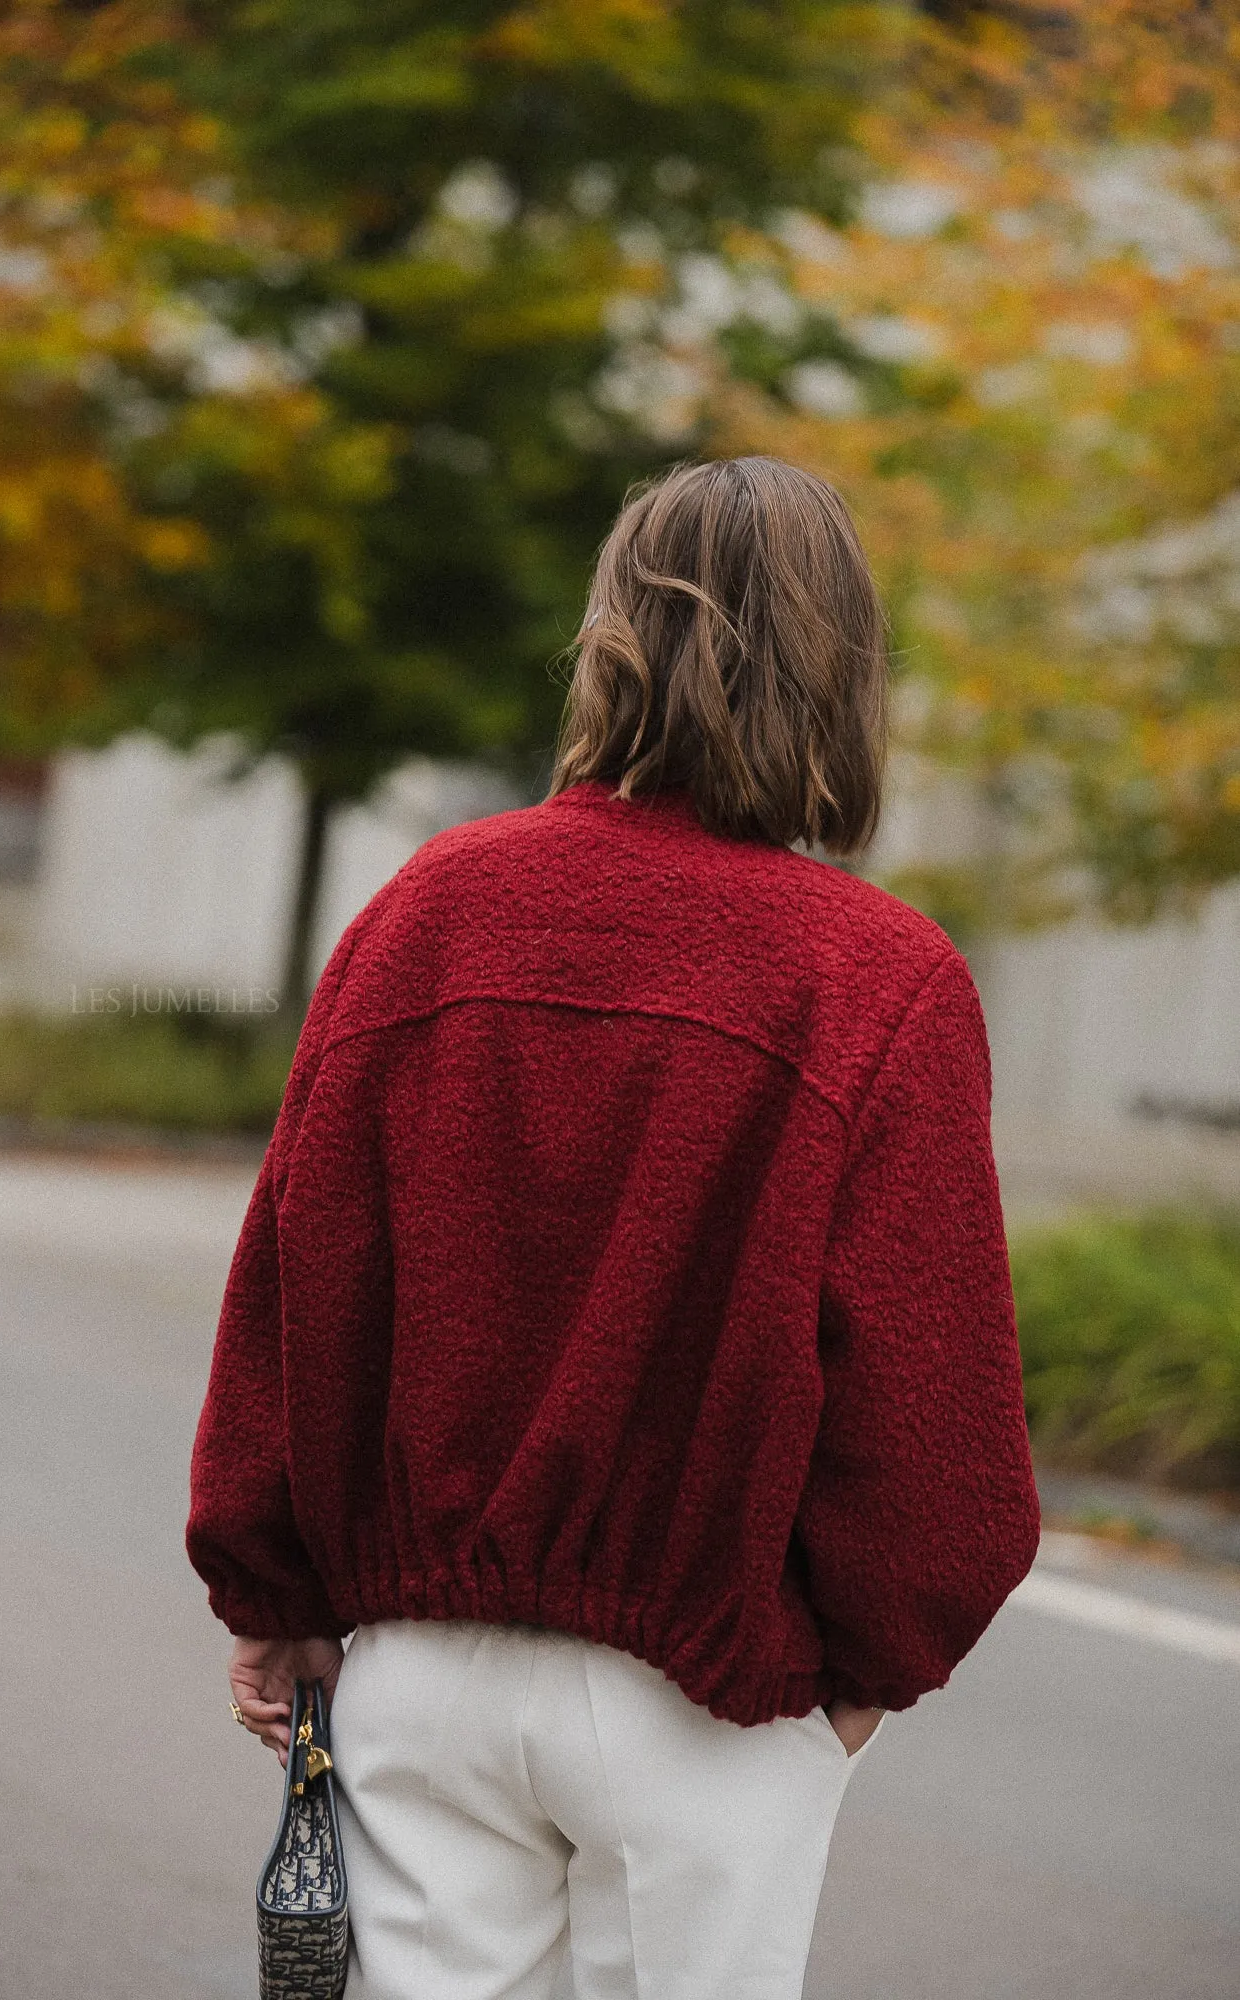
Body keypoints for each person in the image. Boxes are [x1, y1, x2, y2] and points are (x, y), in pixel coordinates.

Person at [187, 454, 1041, 1999]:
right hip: (711, 1699)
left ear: (610, 640)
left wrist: (278, 1592)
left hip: (420, 1665)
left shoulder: (428, 908)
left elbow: (296, 1275)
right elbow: (936, 1436)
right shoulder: (877, 980)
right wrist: (861, 1682)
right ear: (844, 678)